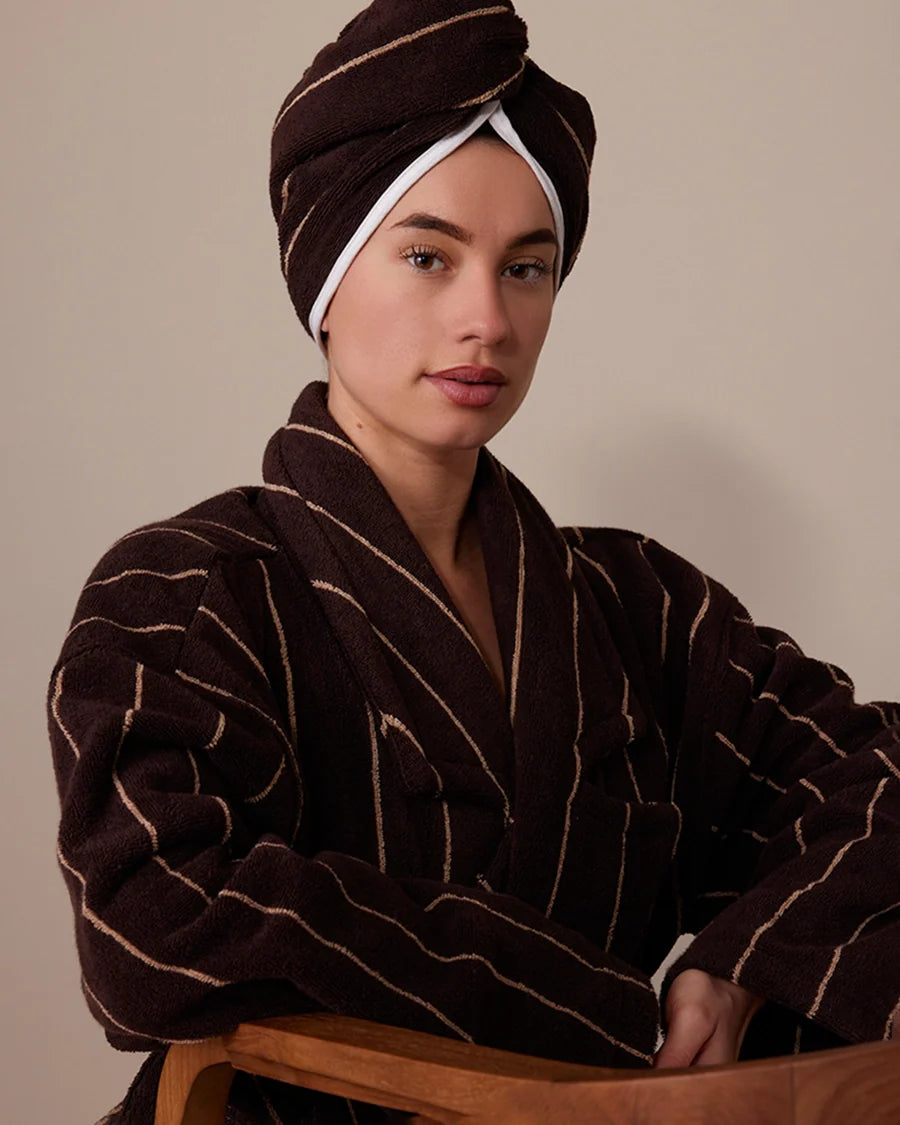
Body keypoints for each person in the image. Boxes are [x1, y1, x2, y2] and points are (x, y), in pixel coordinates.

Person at [48, 2, 899, 1122]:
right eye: (426, 256)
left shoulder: (637, 606)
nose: (487, 319)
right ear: (324, 279)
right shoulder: (182, 592)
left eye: (527, 268)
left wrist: (744, 963)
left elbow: (876, 780)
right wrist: (605, 1020)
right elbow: (153, 931)